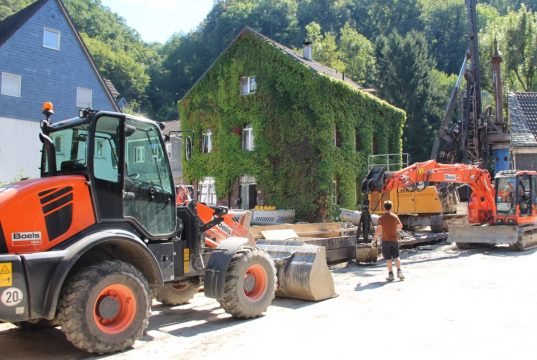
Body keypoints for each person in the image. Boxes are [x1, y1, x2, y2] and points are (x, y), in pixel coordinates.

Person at [373, 200, 405, 282]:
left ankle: (391, 274)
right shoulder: (395, 216)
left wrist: (374, 239)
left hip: (385, 240)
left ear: (384, 207)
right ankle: (399, 271)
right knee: (396, 256)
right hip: (394, 240)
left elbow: (379, 230)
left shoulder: (381, 218)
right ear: (391, 207)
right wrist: (396, 230)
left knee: (388, 258)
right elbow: (400, 226)